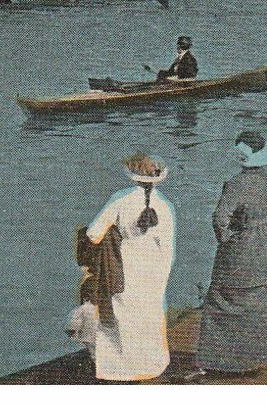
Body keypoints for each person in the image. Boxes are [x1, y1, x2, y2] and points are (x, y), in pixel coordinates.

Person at [69, 154, 176, 382]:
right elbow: (168, 247)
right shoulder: (165, 207)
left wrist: (114, 233)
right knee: (150, 314)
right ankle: (151, 364)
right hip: (154, 269)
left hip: (124, 264)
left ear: (132, 175)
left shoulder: (120, 199)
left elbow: (93, 233)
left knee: (122, 315)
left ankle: (121, 367)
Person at [195, 132, 267, 375]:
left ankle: (220, 363)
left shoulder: (236, 184)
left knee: (221, 303)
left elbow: (220, 219)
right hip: (265, 251)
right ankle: (256, 359)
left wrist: (228, 238)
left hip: (239, 253)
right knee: (259, 305)